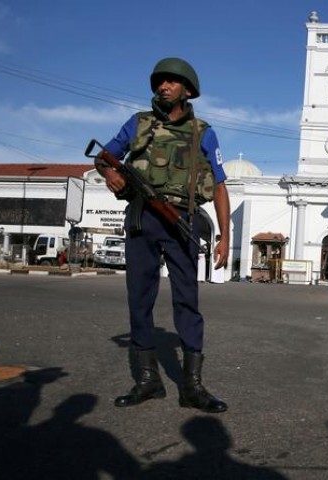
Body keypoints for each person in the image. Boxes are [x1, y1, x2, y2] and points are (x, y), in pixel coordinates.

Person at [95, 57, 231, 414]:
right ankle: (147, 381)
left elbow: (218, 186)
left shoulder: (204, 131)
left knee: (187, 300)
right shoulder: (139, 124)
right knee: (140, 297)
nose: (163, 87)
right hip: (142, 216)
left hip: (182, 219)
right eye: (159, 82)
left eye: (171, 82)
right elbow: (105, 157)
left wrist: (225, 237)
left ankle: (192, 387)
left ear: (188, 90)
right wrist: (110, 175)